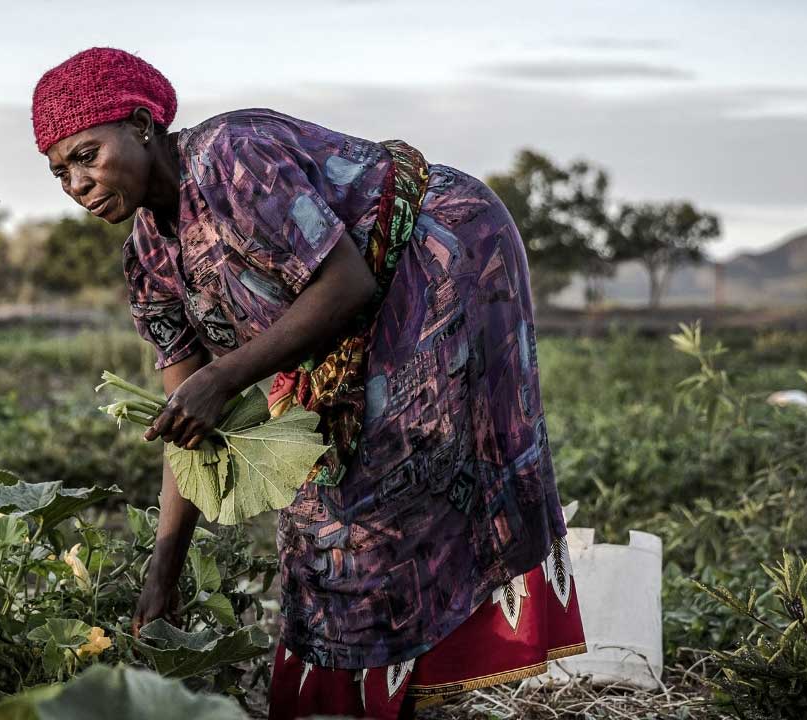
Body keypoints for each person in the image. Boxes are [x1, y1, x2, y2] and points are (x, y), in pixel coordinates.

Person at [31, 47, 587, 719]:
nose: (77, 184)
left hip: (442, 253)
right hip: (345, 317)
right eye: (60, 171)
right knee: (319, 507)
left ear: (145, 126)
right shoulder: (148, 260)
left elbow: (344, 284)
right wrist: (162, 573)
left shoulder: (233, 153)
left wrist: (226, 374)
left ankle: (410, 688)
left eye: (87, 155)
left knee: (392, 473)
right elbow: (191, 427)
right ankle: (344, 698)